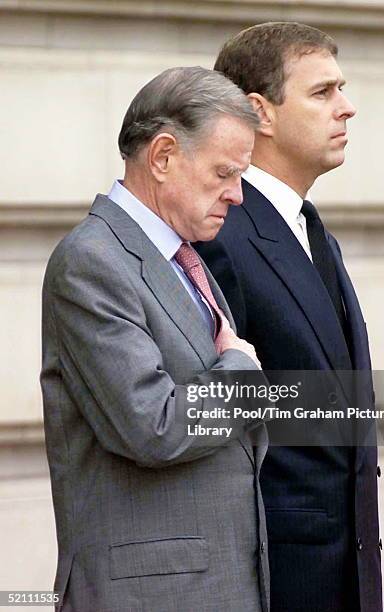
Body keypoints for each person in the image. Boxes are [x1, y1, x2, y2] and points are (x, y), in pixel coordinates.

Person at [40, 66, 271, 612]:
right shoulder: (92, 261)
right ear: (164, 156)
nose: (237, 195)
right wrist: (241, 372)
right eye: (225, 173)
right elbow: (153, 425)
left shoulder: (182, 255)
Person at [196, 22, 382, 612]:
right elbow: (213, 421)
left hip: (341, 575)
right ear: (260, 113)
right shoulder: (221, 233)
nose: (347, 108)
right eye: (323, 92)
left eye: (342, 89)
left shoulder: (308, 228)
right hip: (278, 578)